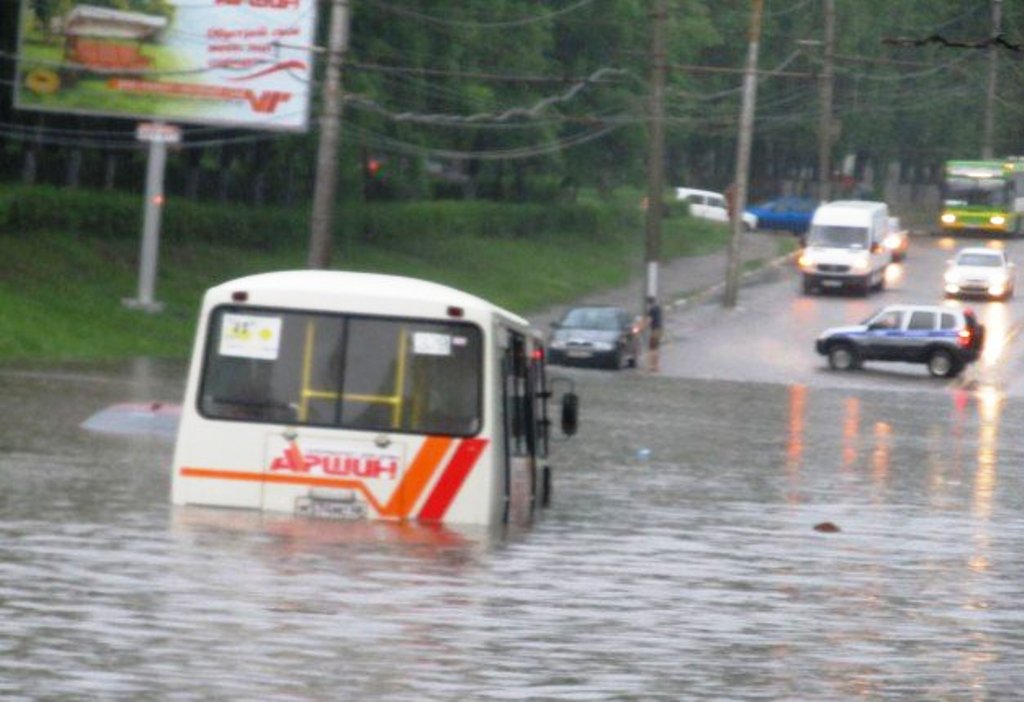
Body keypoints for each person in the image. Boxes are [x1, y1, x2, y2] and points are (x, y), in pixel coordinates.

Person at [644, 296, 663, 372]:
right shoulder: (658, 308)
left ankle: (652, 366)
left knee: (652, 349)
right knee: (656, 348)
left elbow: (649, 321)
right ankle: (656, 366)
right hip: (660, 329)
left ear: (649, 303)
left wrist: (642, 328)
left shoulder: (651, 310)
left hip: (654, 330)